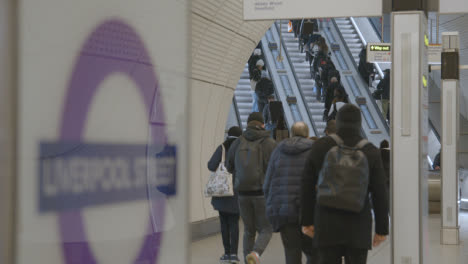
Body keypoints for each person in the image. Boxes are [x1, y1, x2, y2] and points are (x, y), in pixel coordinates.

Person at [301, 104, 389, 264]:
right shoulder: (371, 151)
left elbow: (306, 184)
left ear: (338, 122)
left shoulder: (321, 146)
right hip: (358, 225)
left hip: (326, 223)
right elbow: (380, 191)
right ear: (359, 124)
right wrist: (381, 228)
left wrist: (307, 220)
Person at [227, 112, 277, 264]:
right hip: (261, 193)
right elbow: (275, 168)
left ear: (247, 123)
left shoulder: (238, 142)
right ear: (262, 124)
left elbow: (229, 166)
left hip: (242, 193)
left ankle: (248, 260)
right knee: (266, 229)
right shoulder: (269, 142)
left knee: (249, 230)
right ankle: (255, 254)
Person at [263, 122, 316, 264]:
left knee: (292, 253)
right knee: (314, 252)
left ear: (291, 133)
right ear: (307, 134)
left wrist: (272, 207)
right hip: (309, 213)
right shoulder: (315, 151)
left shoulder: (278, 150)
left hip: (284, 211)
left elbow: (267, 184)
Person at [207, 126, 243, 263]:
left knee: (224, 222)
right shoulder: (242, 148)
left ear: (228, 135)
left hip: (221, 191)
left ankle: (226, 253)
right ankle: (234, 254)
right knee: (234, 222)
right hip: (236, 191)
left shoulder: (222, 147)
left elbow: (211, 165)